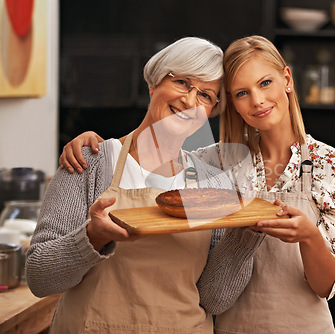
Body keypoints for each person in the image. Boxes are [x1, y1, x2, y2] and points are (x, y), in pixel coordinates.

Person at [59, 35, 335, 333]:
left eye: (265, 83)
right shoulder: (212, 164)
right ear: (231, 104)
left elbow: (326, 287)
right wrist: (95, 141)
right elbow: (155, 149)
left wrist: (309, 236)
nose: (257, 100)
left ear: (287, 79)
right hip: (230, 326)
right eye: (242, 93)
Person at [26, 36, 265, 333]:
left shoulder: (212, 183)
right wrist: (92, 237)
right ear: (153, 84)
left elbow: (213, 299)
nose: (190, 101)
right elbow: (39, 277)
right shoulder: (89, 162)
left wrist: (247, 237)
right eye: (182, 83)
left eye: (205, 95)